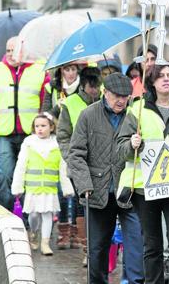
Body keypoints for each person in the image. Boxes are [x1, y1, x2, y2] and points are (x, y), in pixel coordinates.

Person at [117, 62, 169, 284]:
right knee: (152, 245)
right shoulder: (137, 109)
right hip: (145, 189)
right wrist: (133, 144)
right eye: (160, 76)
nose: (166, 79)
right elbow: (121, 149)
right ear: (151, 82)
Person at [67, 72, 144, 284]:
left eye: (125, 96)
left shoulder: (135, 117)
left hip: (128, 191)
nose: (121, 100)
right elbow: (76, 154)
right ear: (105, 92)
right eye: (116, 95)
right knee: (97, 249)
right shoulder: (88, 115)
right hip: (97, 191)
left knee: (136, 246)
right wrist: (84, 185)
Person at [0, 37, 48, 210]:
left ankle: (28, 218)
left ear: (24, 52)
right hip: (3, 132)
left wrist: (46, 127)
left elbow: (45, 102)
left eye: (14, 50)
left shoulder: (39, 70)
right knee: (5, 175)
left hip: (31, 133)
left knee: (28, 175)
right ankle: (6, 215)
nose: (10, 54)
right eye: (8, 50)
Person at [11, 113, 73, 255]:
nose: (40, 129)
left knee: (47, 215)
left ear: (51, 127)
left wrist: (67, 187)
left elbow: (63, 168)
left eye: (43, 126)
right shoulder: (29, 143)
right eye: (37, 126)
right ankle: (34, 232)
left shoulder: (57, 144)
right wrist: (18, 186)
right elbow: (21, 166)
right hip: (33, 188)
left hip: (49, 188)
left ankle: (45, 243)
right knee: (33, 215)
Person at [56, 66, 102, 259]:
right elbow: (63, 135)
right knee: (82, 203)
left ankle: (98, 247)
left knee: (99, 205)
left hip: (101, 164)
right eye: (91, 86)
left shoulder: (105, 101)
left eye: (97, 86)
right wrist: (71, 158)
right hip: (79, 163)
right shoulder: (71, 103)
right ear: (83, 85)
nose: (95, 90)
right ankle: (87, 249)